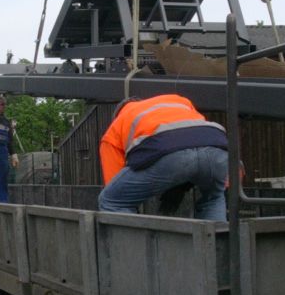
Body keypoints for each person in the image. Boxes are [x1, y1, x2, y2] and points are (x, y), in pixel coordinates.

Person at [98, 94, 229, 221]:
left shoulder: (113, 131)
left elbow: (115, 185)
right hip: (217, 147)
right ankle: (217, 243)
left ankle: (134, 242)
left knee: (111, 201)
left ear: (116, 116)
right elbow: (194, 145)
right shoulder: (177, 99)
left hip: (168, 151)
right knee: (214, 198)